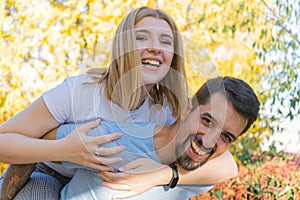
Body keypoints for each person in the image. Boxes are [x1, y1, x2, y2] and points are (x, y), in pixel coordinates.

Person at [0, 6, 237, 199]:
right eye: (142, 38)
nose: (155, 47)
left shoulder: (168, 110)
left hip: (101, 185)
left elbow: (226, 164)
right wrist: (64, 150)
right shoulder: (80, 91)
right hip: (50, 172)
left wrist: (159, 176)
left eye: (166, 42)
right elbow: (4, 140)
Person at [33, 76, 260, 199]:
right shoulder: (114, 138)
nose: (209, 141)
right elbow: (42, 140)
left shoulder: (196, 173)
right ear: (186, 108)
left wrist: (158, 176)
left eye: (226, 136)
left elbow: (230, 167)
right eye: (207, 121)